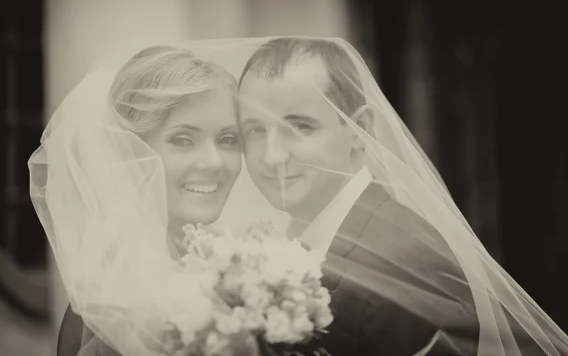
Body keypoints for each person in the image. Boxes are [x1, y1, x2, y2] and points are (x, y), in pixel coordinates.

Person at [235, 37, 568, 355]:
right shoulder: (288, 247)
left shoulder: (408, 262)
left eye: (298, 127)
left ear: (357, 129)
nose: (272, 156)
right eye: (254, 131)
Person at [29, 46, 243, 355]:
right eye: (183, 140)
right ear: (131, 152)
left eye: (227, 139)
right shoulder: (125, 304)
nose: (214, 162)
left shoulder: (210, 268)